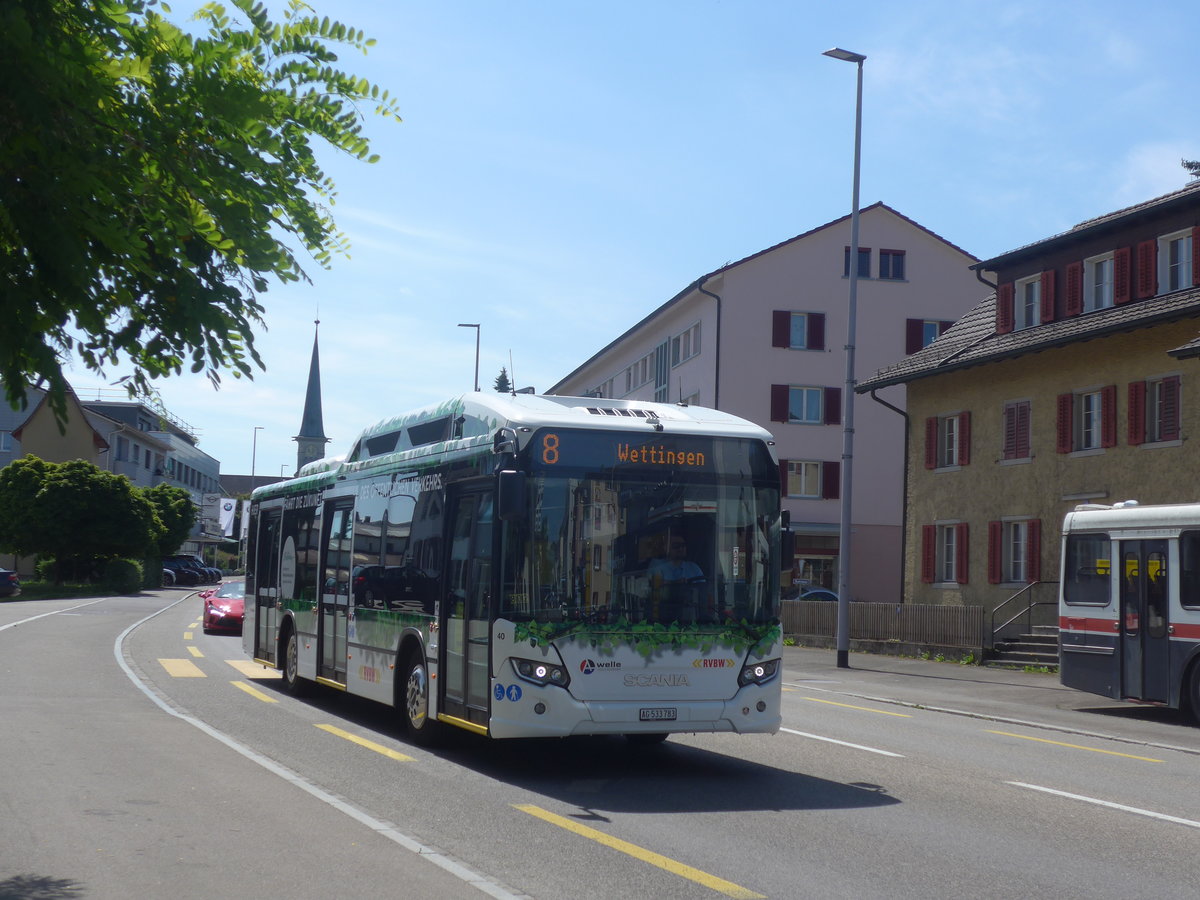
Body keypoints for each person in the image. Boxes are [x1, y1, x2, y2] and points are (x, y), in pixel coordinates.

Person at [647, 533, 706, 621]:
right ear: (665, 548)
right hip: (661, 619)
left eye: (683, 546)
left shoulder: (694, 568)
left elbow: (703, 592)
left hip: (691, 620)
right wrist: (674, 583)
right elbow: (650, 585)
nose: (681, 549)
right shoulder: (656, 566)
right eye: (676, 546)